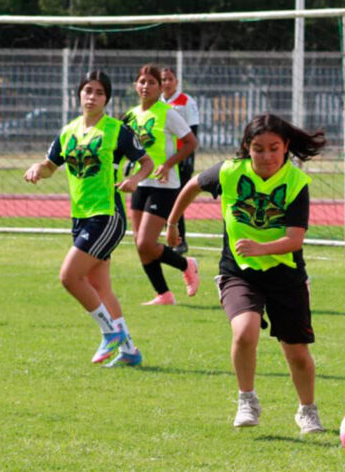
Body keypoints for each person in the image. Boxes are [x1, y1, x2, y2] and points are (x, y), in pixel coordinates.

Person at [166, 114, 327, 435]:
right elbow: (192, 186)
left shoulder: (295, 183)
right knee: (244, 332)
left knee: (296, 352)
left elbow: (294, 239)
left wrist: (260, 247)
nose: (266, 156)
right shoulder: (229, 172)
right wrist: (171, 225)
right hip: (239, 272)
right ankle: (247, 399)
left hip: (285, 275)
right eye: (258, 149)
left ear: (286, 148)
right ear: (246, 148)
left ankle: (307, 410)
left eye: (274, 148)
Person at [24, 70, 151, 367]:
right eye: (87, 91)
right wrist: (36, 169)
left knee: (69, 277)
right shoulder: (68, 132)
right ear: (79, 94)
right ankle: (130, 351)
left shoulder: (116, 130)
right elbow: (50, 166)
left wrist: (135, 180)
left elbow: (147, 162)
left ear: (106, 98)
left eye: (99, 92)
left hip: (106, 214)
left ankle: (111, 333)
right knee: (99, 285)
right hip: (80, 217)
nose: (92, 97)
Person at [122, 64, 200, 306]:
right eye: (142, 81)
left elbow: (190, 142)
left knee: (146, 242)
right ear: (136, 85)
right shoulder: (131, 115)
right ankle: (163, 295)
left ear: (159, 87)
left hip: (165, 186)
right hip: (140, 182)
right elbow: (122, 146)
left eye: (152, 82)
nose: (146, 86)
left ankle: (186, 264)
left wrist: (167, 164)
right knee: (140, 245)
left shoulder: (168, 113)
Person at [161, 66, 201, 254]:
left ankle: (180, 241)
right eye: (163, 79)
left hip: (180, 159)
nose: (166, 83)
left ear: (176, 81)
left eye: (170, 79)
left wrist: (188, 159)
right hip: (162, 160)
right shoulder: (157, 103)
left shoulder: (186, 102)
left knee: (177, 200)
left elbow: (193, 133)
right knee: (164, 199)